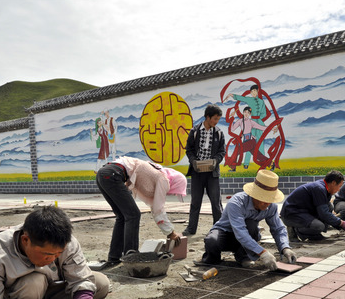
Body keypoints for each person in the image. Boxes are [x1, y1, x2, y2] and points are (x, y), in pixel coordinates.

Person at [198, 170, 297, 271]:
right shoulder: (237, 202)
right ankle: (212, 260)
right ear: (254, 195)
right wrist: (263, 252)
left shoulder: (271, 207)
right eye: (264, 198)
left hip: (244, 238)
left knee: (251, 224)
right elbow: (240, 232)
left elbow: (278, 228)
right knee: (212, 241)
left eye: (270, 199)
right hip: (225, 233)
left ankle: (243, 256)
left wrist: (285, 248)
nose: (267, 203)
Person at [96, 157, 187, 265]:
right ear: (176, 184)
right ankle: (132, 255)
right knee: (133, 215)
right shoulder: (163, 179)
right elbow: (158, 209)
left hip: (104, 174)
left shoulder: (156, 172)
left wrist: (168, 230)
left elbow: (155, 207)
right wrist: (170, 232)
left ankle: (114, 258)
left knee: (122, 216)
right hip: (113, 175)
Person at [183, 104, 226, 236]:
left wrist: (215, 161)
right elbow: (188, 150)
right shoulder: (194, 132)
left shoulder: (219, 133)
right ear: (207, 117)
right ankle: (191, 229)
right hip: (197, 173)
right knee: (195, 202)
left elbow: (222, 151)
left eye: (218, 119)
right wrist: (193, 162)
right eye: (214, 119)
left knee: (216, 202)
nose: (216, 122)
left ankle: (218, 229)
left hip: (212, 173)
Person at [281, 170, 345, 241]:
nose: (339, 189)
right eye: (339, 186)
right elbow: (324, 214)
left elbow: (326, 213)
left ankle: (312, 233)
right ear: (333, 183)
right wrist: (341, 223)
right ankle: (296, 229)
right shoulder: (319, 189)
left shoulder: (326, 189)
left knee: (329, 208)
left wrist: (339, 225)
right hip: (291, 215)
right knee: (319, 226)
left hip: (302, 212)